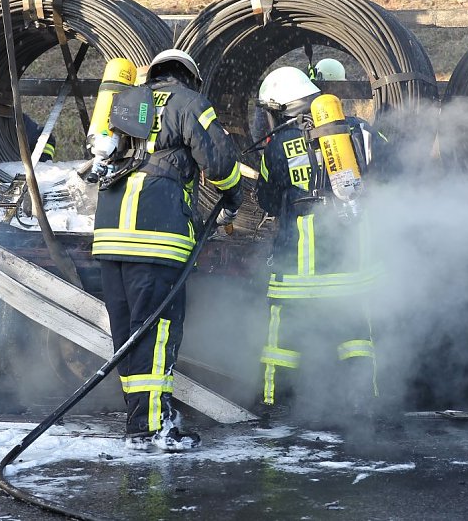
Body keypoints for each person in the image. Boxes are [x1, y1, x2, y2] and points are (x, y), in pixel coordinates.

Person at [92, 49, 243, 451]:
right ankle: (153, 428)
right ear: (188, 77)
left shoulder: (124, 102)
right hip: (156, 235)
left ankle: (139, 420)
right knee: (156, 333)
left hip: (109, 236)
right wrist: (233, 195)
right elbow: (219, 161)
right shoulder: (189, 102)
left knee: (126, 334)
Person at [254, 66, 385, 425]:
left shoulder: (280, 144)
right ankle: (361, 402)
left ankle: (275, 404)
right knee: (356, 334)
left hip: (297, 265)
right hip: (350, 262)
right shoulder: (359, 131)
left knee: (281, 340)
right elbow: (390, 171)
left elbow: (266, 198)